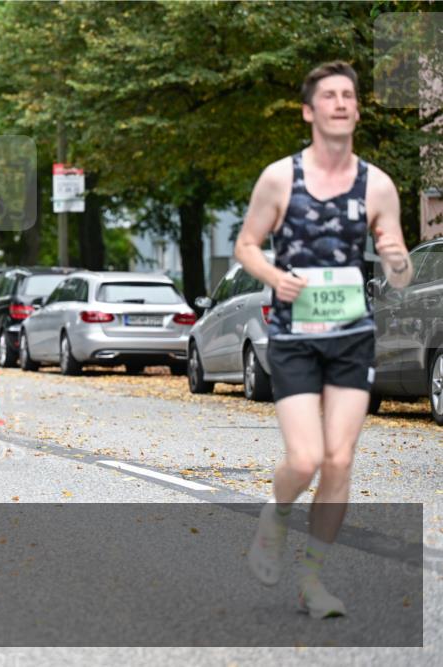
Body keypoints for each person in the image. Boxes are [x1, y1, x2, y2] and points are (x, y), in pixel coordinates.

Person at [235, 61, 412, 619]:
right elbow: (246, 246)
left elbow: (402, 271)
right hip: (294, 337)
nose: (341, 103)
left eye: (349, 96)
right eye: (329, 96)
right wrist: (273, 277)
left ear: (357, 110)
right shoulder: (279, 178)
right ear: (310, 112)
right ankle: (276, 512)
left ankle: (312, 580)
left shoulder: (377, 184)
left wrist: (396, 258)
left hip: (351, 336)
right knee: (306, 457)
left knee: (339, 460)